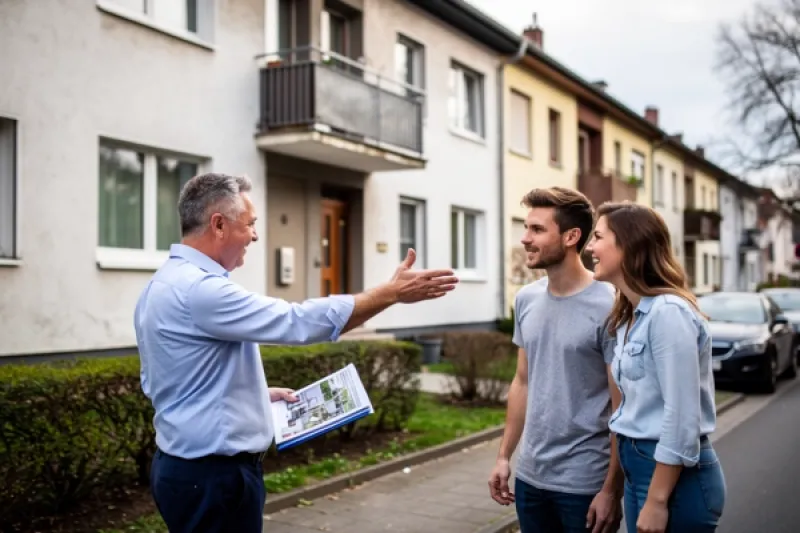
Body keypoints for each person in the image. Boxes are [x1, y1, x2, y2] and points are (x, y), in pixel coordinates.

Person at [134, 172, 459, 533]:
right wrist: (390, 293)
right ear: (219, 225)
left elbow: (166, 380)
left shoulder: (162, 283)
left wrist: (252, 395)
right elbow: (296, 322)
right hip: (214, 479)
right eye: (251, 224)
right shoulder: (201, 291)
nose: (255, 236)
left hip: (184, 469)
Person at [488, 187, 623, 533]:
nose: (525, 239)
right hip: (531, 477)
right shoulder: (526, 300)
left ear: (571, 237)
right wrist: (505, 456)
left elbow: (622, 404)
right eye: (526, 228)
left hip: (585, 483)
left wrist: (611, 488)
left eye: (536, 230)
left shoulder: (610, 304)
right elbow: (523, 381)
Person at [586, 202, 726, 533]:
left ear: (629, 244)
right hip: (641, 470)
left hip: (672, 481)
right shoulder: (629, 316)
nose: (589, 247)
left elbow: (681, 416)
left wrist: (658, 499)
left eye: (598, 237)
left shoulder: (667, 313)